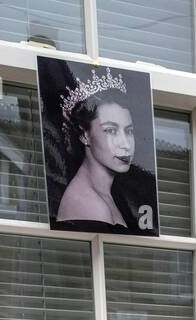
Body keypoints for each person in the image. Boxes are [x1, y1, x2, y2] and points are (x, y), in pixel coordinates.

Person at [55, 72, 137, 231]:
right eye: (111, 131)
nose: (126, 144)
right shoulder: (92, 206)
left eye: (129, 131)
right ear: (85, 135)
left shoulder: (108, 194)